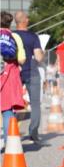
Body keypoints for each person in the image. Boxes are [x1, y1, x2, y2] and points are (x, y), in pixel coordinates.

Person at [13, 11, 44, 143]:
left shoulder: (11, 36)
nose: (29, 18)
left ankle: (11, 131)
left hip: (15, 72)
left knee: (11, 103)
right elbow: (38, 57)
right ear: (24, 21)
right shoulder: (33, 36)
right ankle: (33, 133)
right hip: (31, 72)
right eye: (27, 17)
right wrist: (41, 53)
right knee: (35, 104)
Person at [1, 11, 26, 150]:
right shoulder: (14, 36)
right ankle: (9, 144)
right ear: (10, 23)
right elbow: (22, 59)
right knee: (7, 111)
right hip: (9, 73)